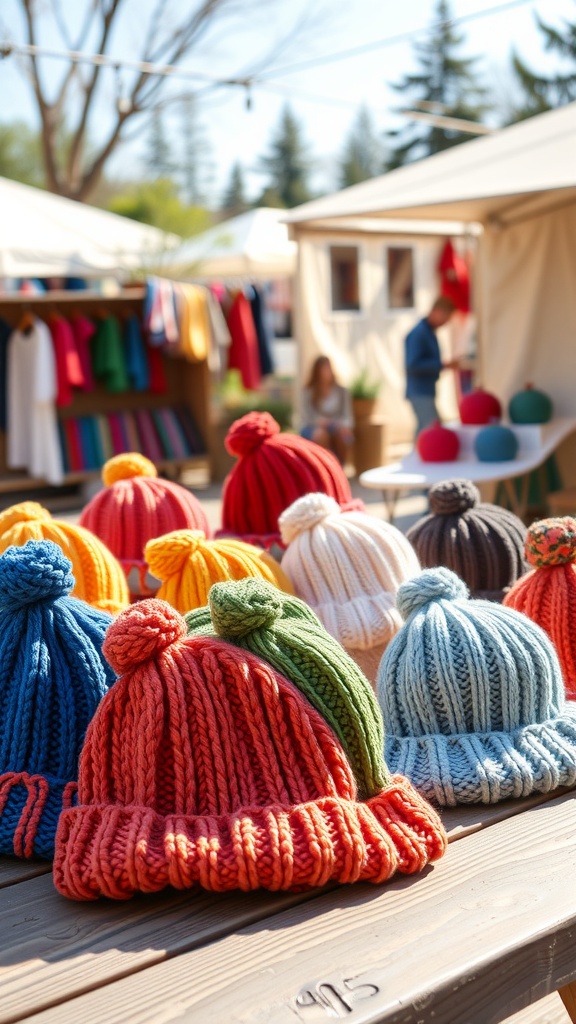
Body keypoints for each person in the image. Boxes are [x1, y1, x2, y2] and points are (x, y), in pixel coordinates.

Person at [404, 296, 458, 436]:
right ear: (437, 312)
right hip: (419, 390)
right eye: (446, 318)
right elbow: (413, 364)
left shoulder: (428, 331)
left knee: (426, 429)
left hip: (425, 390)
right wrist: (442, 364)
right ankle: (420, 457)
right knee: (429, 430)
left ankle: (419, 456)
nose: (446, 323)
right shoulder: (419, 333)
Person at [301, 355, 353, 464]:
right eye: (323, 369)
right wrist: (321, 422)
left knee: (342, 435)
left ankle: (339, 467)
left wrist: (342, 425)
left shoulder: (341, 391)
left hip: (337, 425)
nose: (326, 372)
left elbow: (347, 415)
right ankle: (324, 465)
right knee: (321, 435)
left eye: (328, 368)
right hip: (313, 426)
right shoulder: (309, 391)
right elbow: (307, 416)